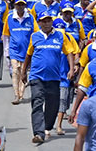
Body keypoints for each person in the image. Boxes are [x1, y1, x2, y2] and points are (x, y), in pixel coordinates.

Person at [21, 11, 76, 144]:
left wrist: (71, 68)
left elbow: (69, 52)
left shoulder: (60, 36)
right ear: (39, 23)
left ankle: (47, 126)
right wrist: (23, 72)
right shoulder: (35, 36)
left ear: (52, 21)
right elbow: (29, 55)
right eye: (43, 21)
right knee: (37, 103)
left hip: (54, 77)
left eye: (48, 21)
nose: (46, 23)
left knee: (53, 104)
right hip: (36, 76)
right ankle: (38, 133)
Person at [2, 0, 38, 104]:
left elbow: (36, 33)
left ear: (25, 5)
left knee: (23, 72)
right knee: (15, 71)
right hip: (14, 50)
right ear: (15, 6)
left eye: (22, 4)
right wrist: (6, 51)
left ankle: (21, 94)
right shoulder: (10, 17)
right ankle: (16, 95)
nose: (20, 6)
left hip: (26, 51)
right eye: (18, 4)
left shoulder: (30, 18)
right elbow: (6, 36)